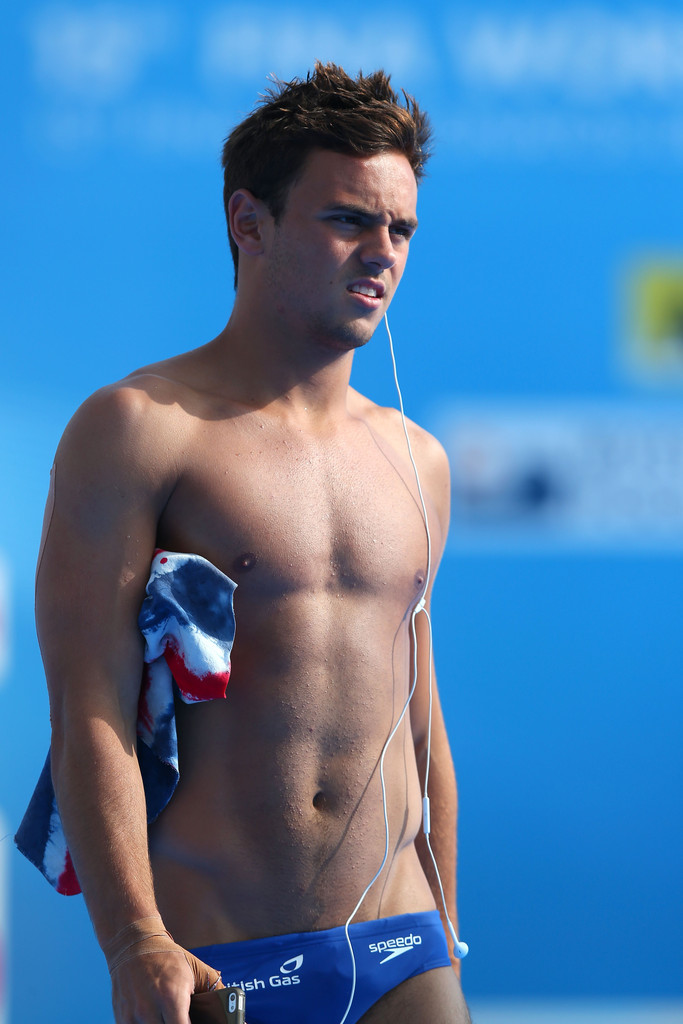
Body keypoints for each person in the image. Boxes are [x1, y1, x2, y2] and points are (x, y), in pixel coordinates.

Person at [16, 62, 470, 1024]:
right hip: (218, 962)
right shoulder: (140, 428)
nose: (381, 254)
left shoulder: (417, 459)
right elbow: (88, 706)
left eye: (400, 229)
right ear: (248, 222)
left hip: (403, 949)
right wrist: (133, 939)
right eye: (347, 220)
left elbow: (421, 722)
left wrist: (448, 928)